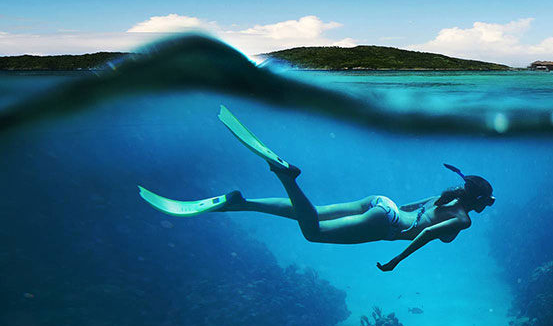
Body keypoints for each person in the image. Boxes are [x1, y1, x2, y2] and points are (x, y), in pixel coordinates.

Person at [138, 106, 494, 272]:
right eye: (486, 203)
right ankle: (286, 176)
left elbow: (410, 207)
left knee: (312, 213)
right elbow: (426, 234)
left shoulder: (445, 195)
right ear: (478, 201)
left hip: (383, 203)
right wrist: (396, 261)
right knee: (313, 232)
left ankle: (241, 203)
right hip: (386, 224)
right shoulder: (463, 220)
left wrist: (387, 214)